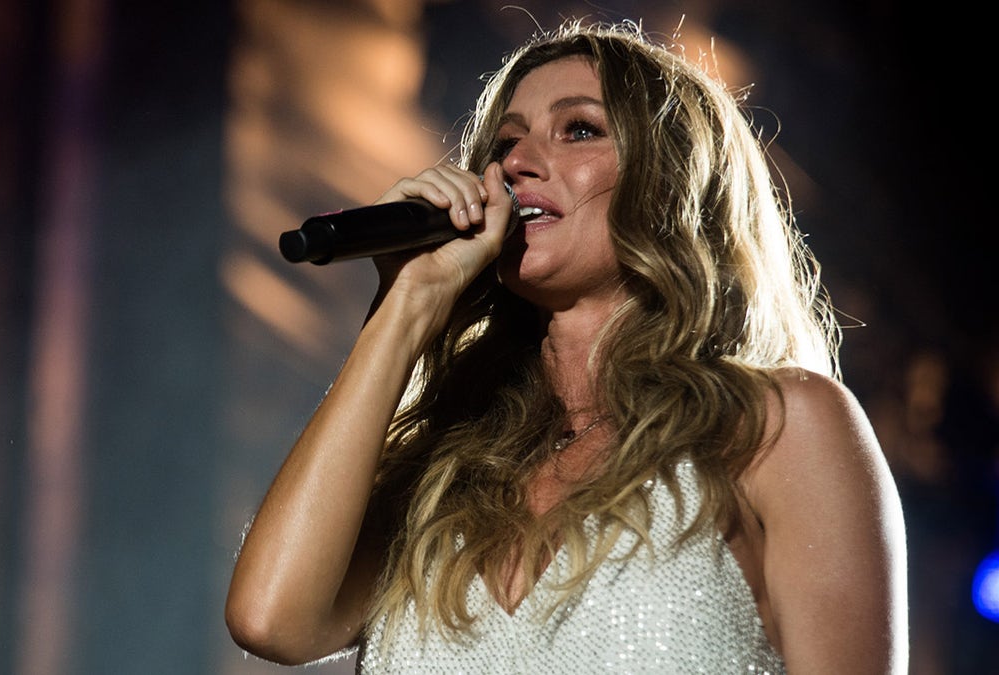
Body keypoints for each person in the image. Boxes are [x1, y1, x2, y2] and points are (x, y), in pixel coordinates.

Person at [225, 19, 907, 673]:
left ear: (671, 185)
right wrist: (407, 305)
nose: (517, 163)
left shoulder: (779, 425)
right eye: (503, 146)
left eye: (578, 130)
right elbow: (269, 618)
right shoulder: (442, 470)